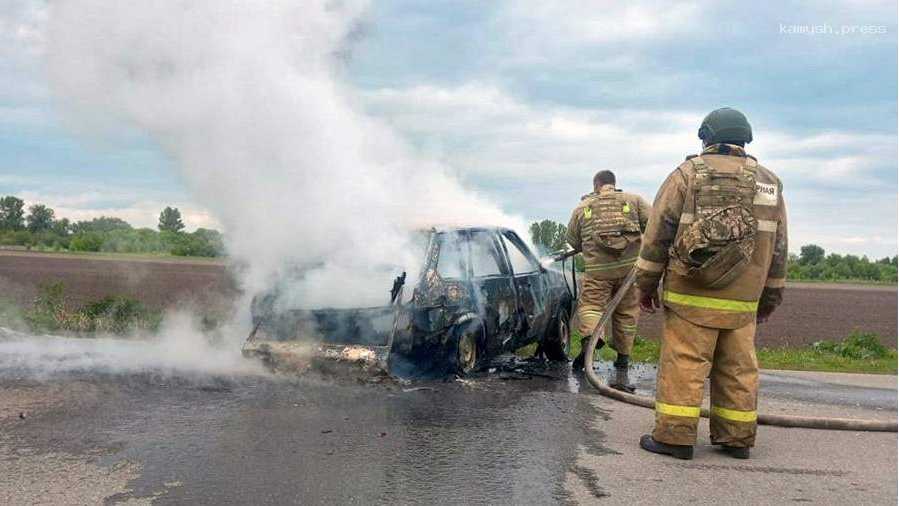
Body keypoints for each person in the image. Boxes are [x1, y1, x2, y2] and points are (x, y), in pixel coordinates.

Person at [635, 107, 788, 460]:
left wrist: (646, 285)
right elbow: (778, 248)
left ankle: (675, 438)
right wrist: (769, 299)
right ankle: (736, 440)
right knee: (738, 370)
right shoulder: (769, 183)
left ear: (706, 138)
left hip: (689, 298)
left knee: (684, 366)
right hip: (743, 302)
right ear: (745, 139)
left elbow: (657, 236)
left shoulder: (685, 176)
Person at [566, 170, 651, 391]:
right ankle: (623, 359)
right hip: (628, 272)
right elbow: (654, 225)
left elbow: (572, 239)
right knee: (627, 314)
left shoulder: (582, 208)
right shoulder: (634, 201)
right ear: (613, 183)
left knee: (591, 308)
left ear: (596, 185)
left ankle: (591, 342)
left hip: (598, 272)